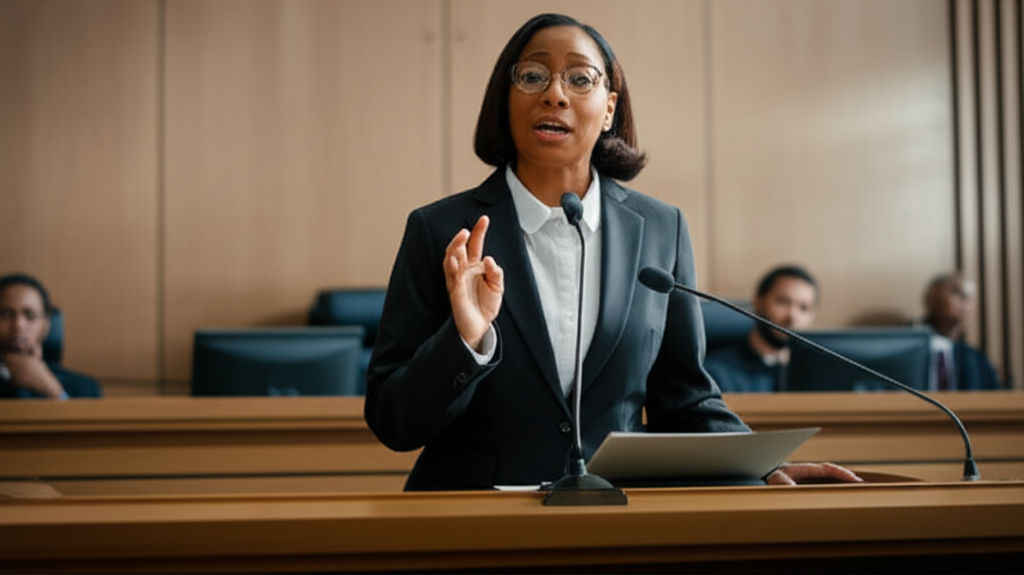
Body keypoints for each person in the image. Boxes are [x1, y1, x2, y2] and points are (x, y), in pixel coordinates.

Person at [364, 13, 859, 490]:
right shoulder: (441, 230)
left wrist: (764, 465)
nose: (554, 94)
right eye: (533, 76)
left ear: (609, 109)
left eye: (580, 79)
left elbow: (684, 398)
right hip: (472, 520)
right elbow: (394, 422)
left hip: (616, 517)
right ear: (505, 101)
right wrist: (466, 342)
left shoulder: (661, 229)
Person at [705, 265, 818, 393]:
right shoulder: (716, 372)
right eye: (783, 302)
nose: (792, 316)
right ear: (758, 302)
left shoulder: (817, 376)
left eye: (803, 308)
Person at [0, 273, 102, 399]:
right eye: (5, 314)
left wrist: (55, 392)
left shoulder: (85, 388)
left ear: (46, 324)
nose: (18, 325)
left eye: (30, 316)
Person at [920, 272, 1001, 391]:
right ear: (934, 298)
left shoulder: (976, 360)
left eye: (968, 298)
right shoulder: (906, 349)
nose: (965, 302)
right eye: (957, 293)